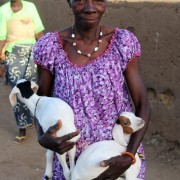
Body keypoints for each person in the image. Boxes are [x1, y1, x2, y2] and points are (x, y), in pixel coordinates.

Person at [33, 0, 151, 179]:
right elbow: (40, 103)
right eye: (80, 0)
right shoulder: (51, 47)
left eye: (97, 0)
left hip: (118, 160)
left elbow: (142, 103)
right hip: (70, 163)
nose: (89, 8)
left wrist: (129, 156)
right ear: (69, 2)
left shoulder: (122, 43)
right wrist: (43, 137)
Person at [0, 0, 45, 144]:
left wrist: (44, 53)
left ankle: (30, 117)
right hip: (13, 52)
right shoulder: (3, 10)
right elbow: (1, 38)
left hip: (31, 52)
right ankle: (22, 127)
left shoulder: (30, 7)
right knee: (16, 88)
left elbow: (38, 32)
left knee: (29, 87)